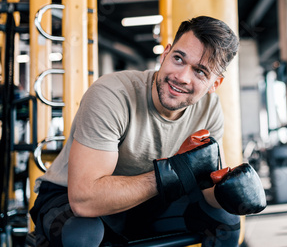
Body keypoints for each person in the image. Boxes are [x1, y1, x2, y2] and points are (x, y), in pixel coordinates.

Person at [29, 16, 266, 247]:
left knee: (226, 220)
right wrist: (172, 172)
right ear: (165, 54)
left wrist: (229, 194)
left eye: (200, 72)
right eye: (179, 59)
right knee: (81, 235)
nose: (181, 76)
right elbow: (84, 200)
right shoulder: (112, 94)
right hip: (69, 199)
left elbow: (207, 191)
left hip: (149, 202)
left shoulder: (209, 109)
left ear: (215, 84)